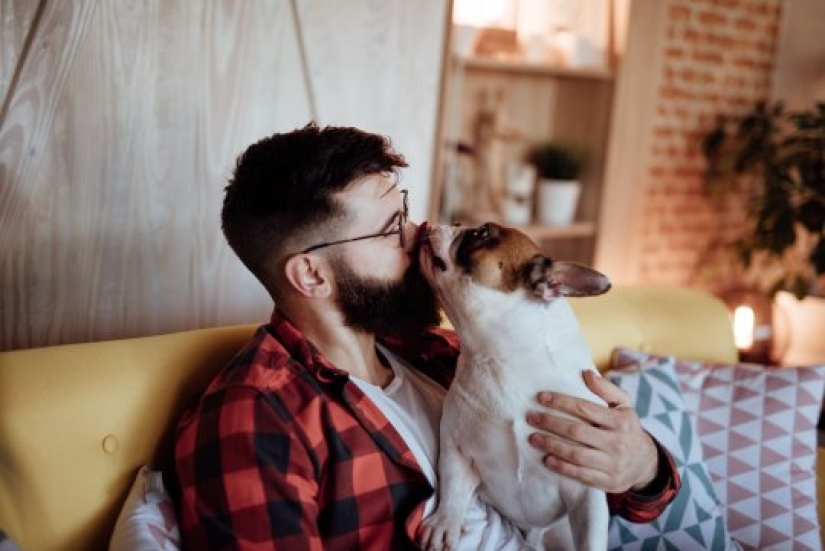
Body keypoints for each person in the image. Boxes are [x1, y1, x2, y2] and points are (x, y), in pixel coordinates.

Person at [174, 123, 680, 550]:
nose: (419, 232)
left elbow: (602, 497)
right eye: (391, 227)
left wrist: (642, 464)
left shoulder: (443, 352)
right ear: (312, 276)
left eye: (407, 211)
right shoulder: (259, 418)